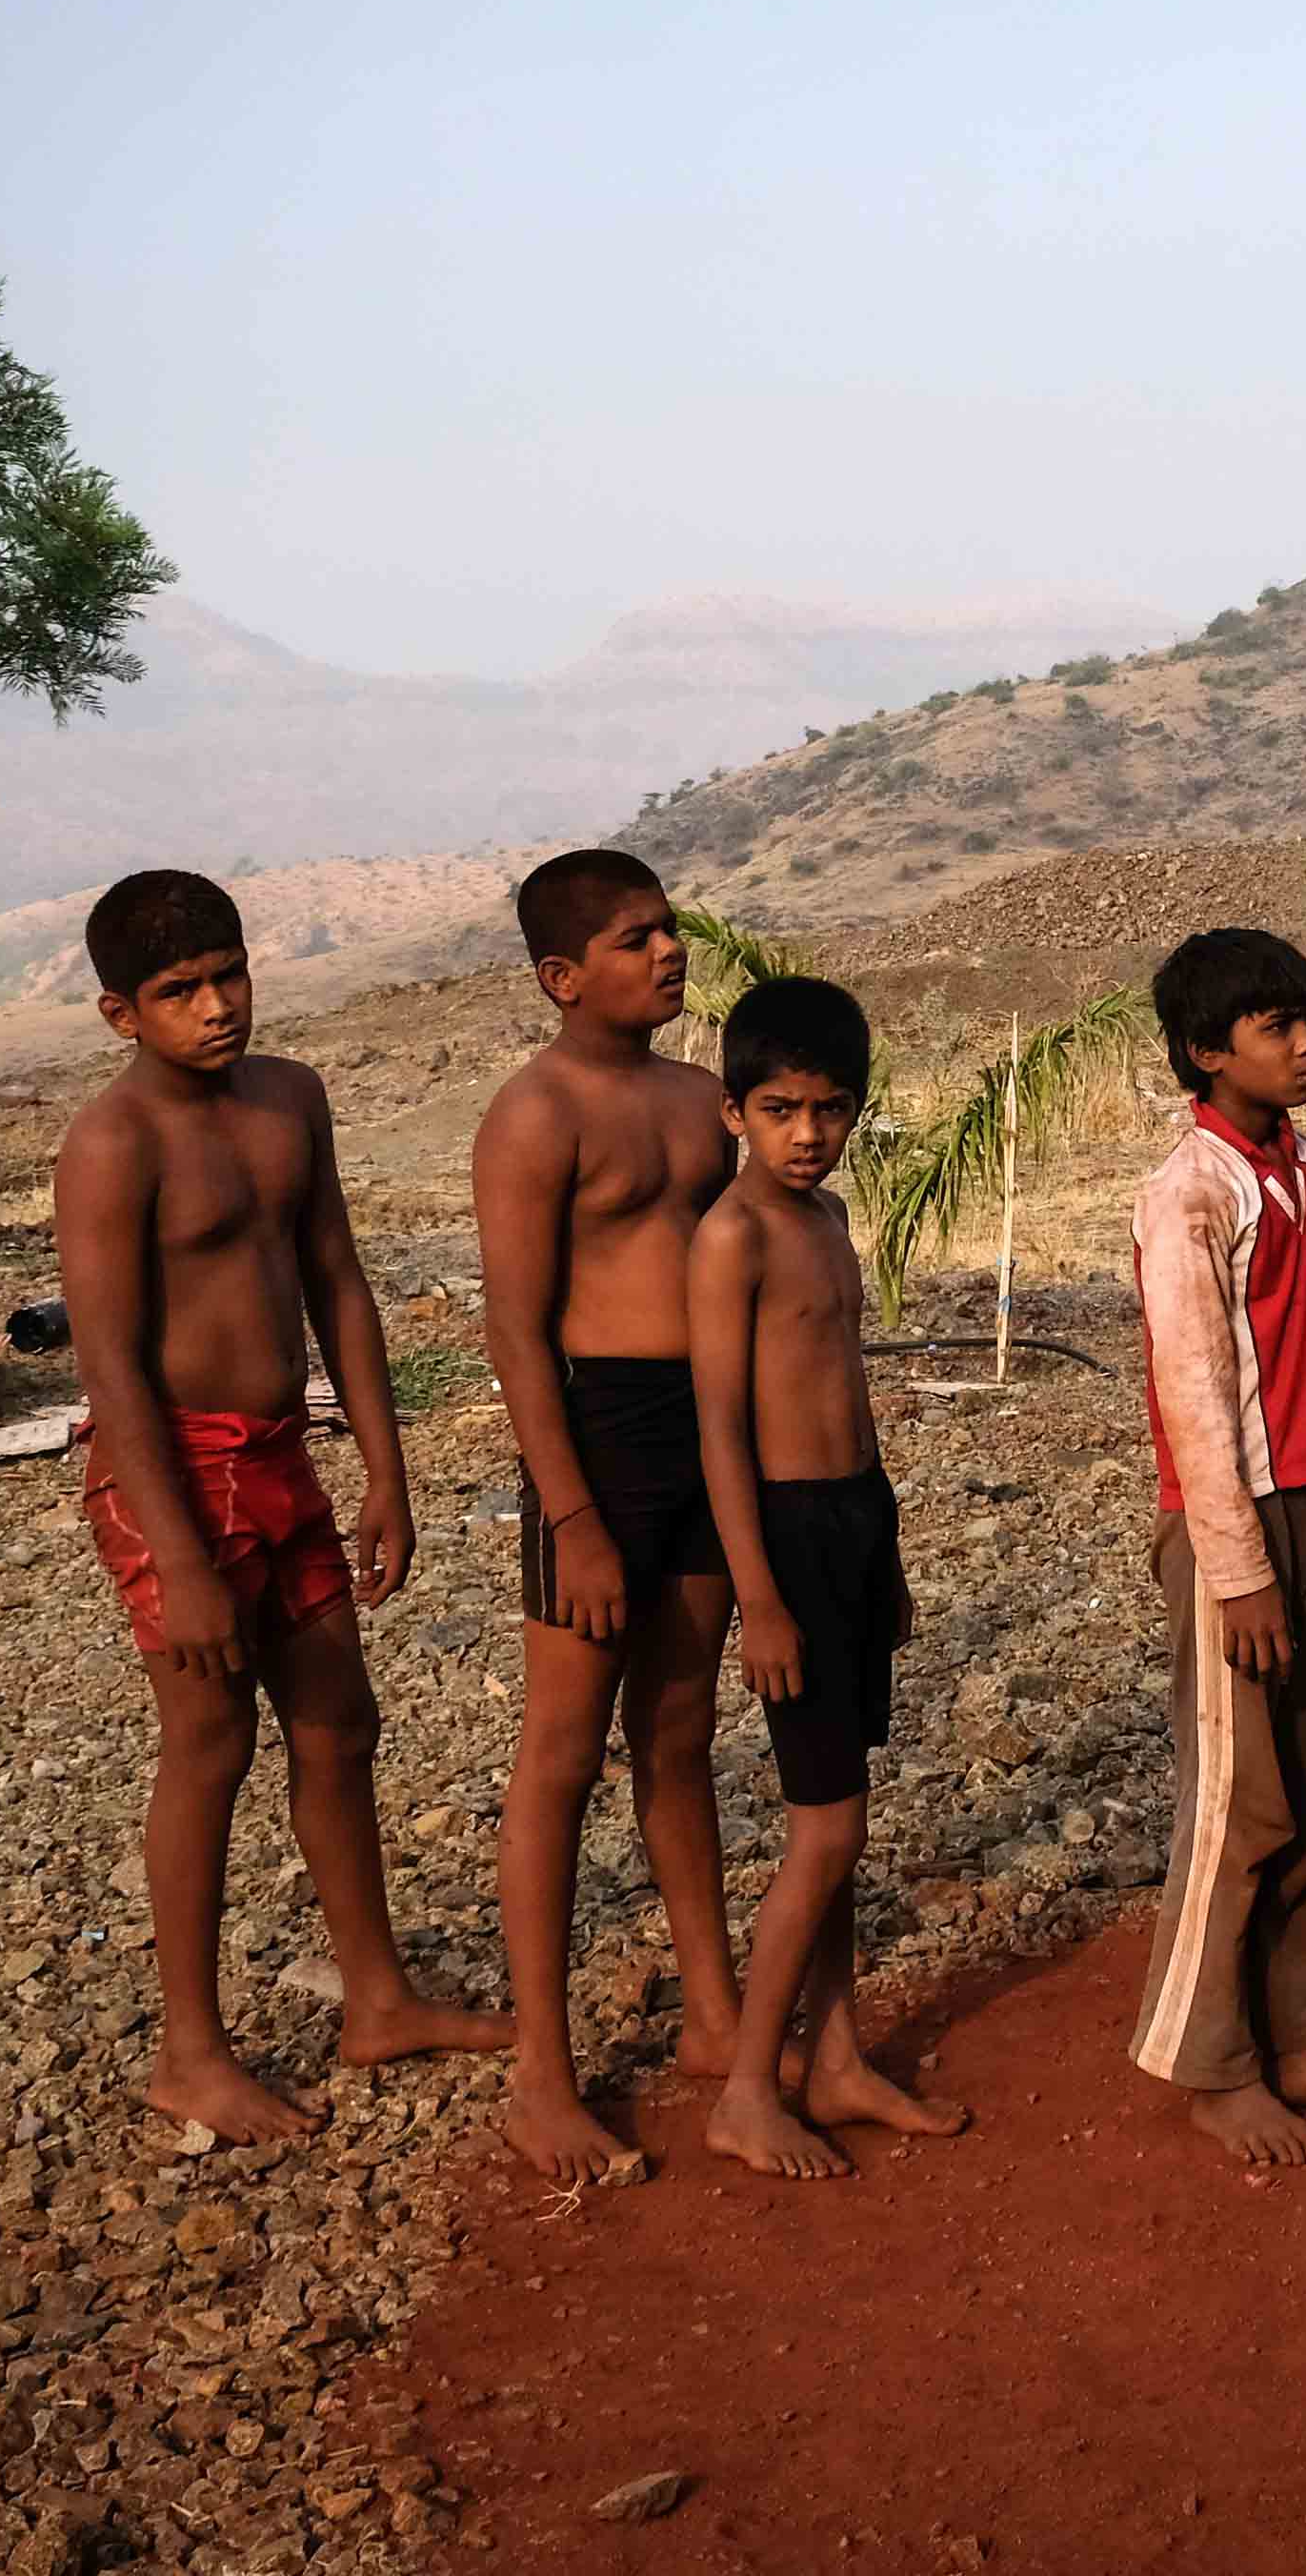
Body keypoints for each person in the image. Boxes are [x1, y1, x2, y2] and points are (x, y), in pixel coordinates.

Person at [50, 867, 502, 2143]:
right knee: (209, 1740)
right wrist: (180, 1558)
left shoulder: (288, 1100)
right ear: (118, 1015)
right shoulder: (112, 1144)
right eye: (178, 992)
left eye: (228, 975)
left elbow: (339, 1283)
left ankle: (378, 1997)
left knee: (339, 1721)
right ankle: (188, 2051)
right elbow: (113, 1365)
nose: (215, 1007)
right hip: (170, 1470)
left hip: (280, 1451)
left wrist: (388, 1470)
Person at [464, 847, 745, 2184]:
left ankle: (713, 2013)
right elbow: (515, 1331)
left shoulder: (703, 1103)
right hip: (602, 1434)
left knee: (681, 1731)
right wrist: (568, 1514)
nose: (670, 951)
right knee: (563, 1755)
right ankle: (541, 2070)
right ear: (562, 978)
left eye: (671, 927)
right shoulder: (536, 1115)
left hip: (709, 1428)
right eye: (638, 939)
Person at [1121, 925, 1306, 2165]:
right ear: (1205, 1052)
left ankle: (1293, 2032)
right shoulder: (1186, 1191)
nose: (1305, 1047)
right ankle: (1210, 2062)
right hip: (1232, 1523)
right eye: (1276, 1028)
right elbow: (1191, 1390)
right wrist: (1235, 1573)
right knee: (1238, 1800)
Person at [686, 973, 969, 2180]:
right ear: (734, 1111)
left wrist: (888, 1546)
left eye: (831, 1108)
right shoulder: (732, 1235)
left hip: (854, 1518)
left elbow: (846, 1394)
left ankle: (837, 2053)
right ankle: (749, 2085)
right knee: (826, 1826)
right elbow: (719, 1427)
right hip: (786, 1539)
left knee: (840, 1815)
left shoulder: (833, 1221)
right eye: (782, 1108)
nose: (808, 1133)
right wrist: (757, 1594)